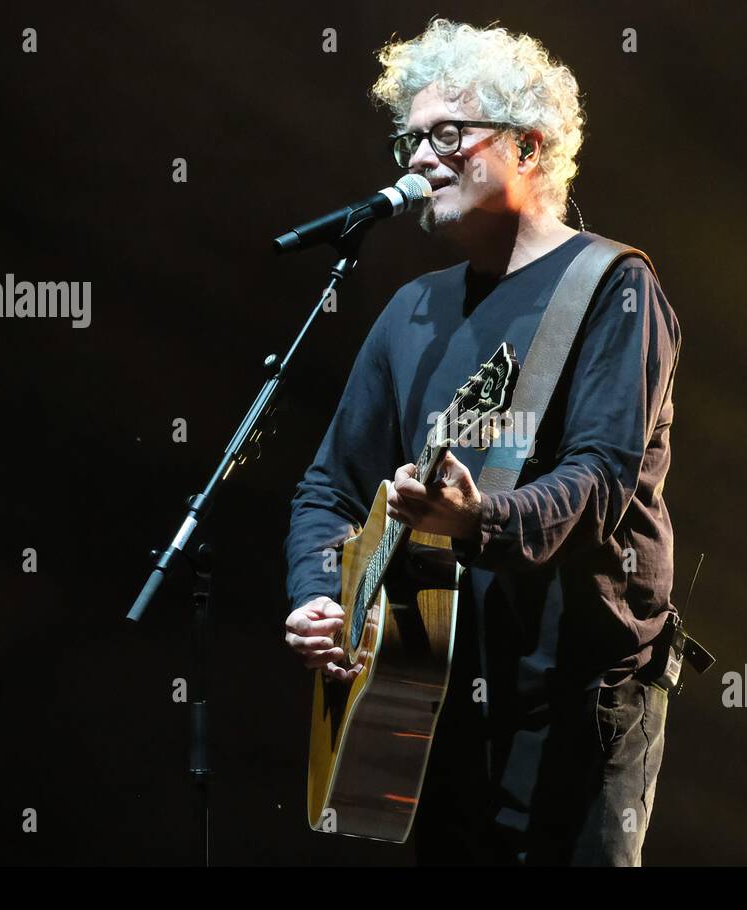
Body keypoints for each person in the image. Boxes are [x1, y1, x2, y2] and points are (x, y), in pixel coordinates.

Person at [282, 18, 681, 865]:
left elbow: (601, 479)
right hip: (434, 698)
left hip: (576, 701)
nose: (419, 158)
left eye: (448, 135)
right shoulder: (413, 312)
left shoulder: (611, 289)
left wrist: (481, 519)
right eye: (411, 137)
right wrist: (320, 596)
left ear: (528, 146)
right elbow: (330, 488)